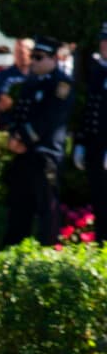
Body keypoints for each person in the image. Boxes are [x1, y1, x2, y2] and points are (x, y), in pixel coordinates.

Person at [3, 35, 75, 247]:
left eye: (39, 57)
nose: (33, 61)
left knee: (47, 207)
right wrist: (13, 135)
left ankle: (48, 249)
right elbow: (19, 113)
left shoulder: (61, 84)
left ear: (54, 59)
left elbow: (50, 118)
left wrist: (24, 139)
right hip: (25, 155)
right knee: (19, 206)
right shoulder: (31, 82)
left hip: (45, 154)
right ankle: (14, 249)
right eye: (32, 56)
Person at [73, 22, 107, 242]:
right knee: (99, 201)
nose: (103, 45)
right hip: (96, 147)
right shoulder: (97, 71)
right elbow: (88, 110)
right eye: (102, 40)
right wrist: (81, 142)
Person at [0, 37, 34, 130]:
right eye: (17, 52)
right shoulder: (3, 75)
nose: (21, 56)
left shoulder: (38, 76)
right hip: (5, 125)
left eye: (23, 52)